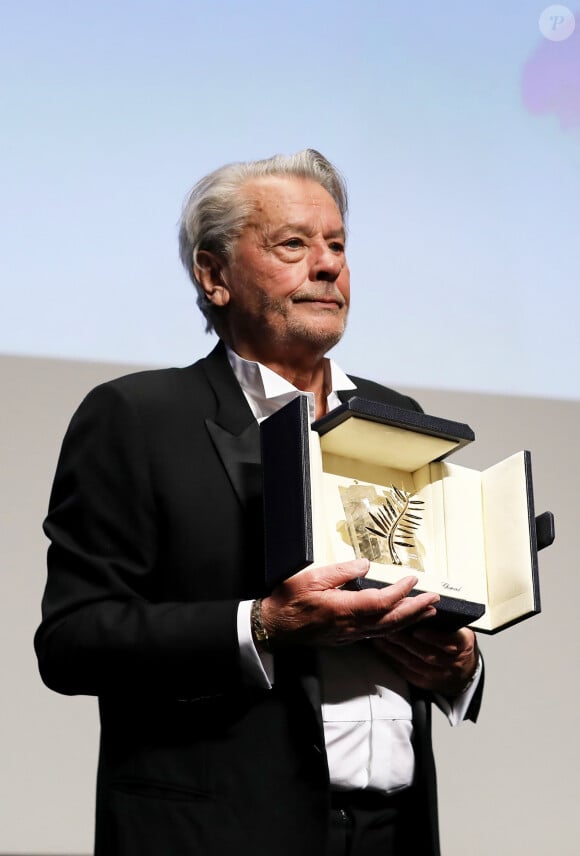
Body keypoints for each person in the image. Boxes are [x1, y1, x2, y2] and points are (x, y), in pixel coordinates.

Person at [35, 149, 482, 856]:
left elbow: (429, 610)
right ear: (214, 276)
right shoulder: (138, 416)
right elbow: (73, 642)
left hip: (393, 834)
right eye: (293, 244)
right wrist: (264, 626)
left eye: (337, 244)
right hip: (218, 832)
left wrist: (457, 667)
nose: (329, 265)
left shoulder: (397, 420)